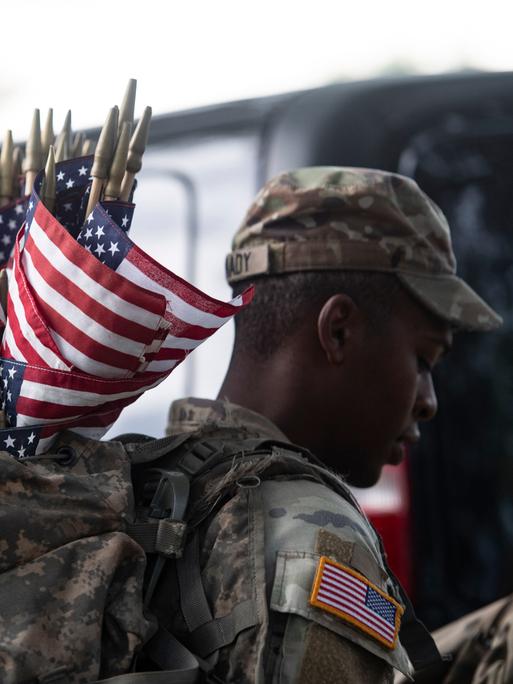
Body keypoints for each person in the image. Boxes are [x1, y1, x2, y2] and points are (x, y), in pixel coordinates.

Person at [152, 166, 501, 683]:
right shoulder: (313, 532)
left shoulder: (161, 478)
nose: (428, 401)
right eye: (423, 360)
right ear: (338, 331)